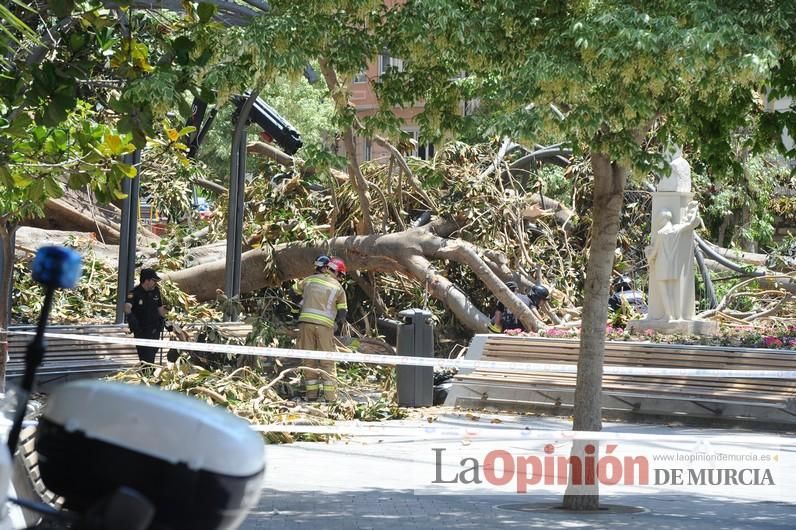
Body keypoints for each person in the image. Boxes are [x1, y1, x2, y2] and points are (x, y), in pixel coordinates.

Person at [294, 255, 348, 401]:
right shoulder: (338, 288)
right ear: (336, 272)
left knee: (309, 359)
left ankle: (311, 396)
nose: (341, 279)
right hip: (325, 326)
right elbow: (343, 313)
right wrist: (336, 326)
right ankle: (331, 398)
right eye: (341, 276)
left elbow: (294, 291)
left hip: (305, 324)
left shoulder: (309, 280)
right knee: (327, 361)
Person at [645, 202, 701, 321]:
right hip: (673, 265)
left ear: (663, 219)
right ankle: (677, 315)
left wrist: (648, 258)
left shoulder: (661, 233)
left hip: (661, 264)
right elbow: (691, 223)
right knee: (673, 290)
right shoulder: (676, 229)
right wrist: (694, 209)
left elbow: (655, 252)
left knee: (665, 291)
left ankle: (669, 315)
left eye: (659, 219)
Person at [125, 268, 167, 363]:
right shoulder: (135, 293)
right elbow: (127, 307)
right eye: (154, 281)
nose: (155, 283)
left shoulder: (155, 291)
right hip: (142, 330)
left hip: (155, 328)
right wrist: (132, 319)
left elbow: (159, 308)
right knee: (145, 356)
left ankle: (148, 374)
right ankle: (147, 374)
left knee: (152, 353)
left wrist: (165, 318)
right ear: (146, 281)